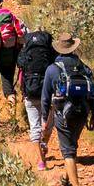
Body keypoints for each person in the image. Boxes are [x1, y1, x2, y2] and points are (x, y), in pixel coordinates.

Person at [41, 34, 94, 186]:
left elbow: (45, 97)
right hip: (82, 113)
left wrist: (45, 119)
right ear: (73, 48)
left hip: (63, 115)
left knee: (67, 151)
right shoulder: (84, 67)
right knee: (72, 146)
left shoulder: (52, 69)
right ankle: (68, 178)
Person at [16, 27, 56, 169]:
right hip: (48, 93)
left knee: (35, 127)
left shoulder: (25, 51)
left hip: (30, 92)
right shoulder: (51, 52)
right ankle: (43, 144)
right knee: (48, 125)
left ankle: (41, 161)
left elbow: (20, 64)